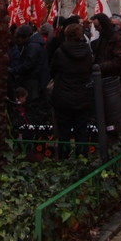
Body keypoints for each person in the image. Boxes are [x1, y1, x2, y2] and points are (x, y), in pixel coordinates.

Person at [49, 22, 94, 159]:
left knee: (64, 131)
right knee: (81, 130)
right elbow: (90, 70)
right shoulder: (87, 52)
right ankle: (81, 159)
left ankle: (63, 159)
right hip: (82, 95)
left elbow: (52, 71)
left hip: (63, 97)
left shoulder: (60, 52)